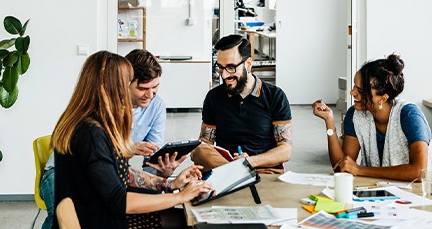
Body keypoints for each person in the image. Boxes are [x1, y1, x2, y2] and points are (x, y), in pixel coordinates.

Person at [50, 50, 211, 228]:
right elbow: (119, 201)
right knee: (186, 220)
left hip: (100, 213)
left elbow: (121, 173)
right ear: (112, 87)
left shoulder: (97, 123)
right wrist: (179, 196)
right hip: (100, 220)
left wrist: (170, 183)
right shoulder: (91, 133)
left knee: (181, 217)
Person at [312, 54, 432, 181]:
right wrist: (329, 121)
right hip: (379, 193)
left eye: (360, 91)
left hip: (421, 193)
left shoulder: (409, 115)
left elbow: (419, 172)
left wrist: (360, 170)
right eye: (354, 86)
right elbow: (341, 168)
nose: (352, 93)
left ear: (382, 98)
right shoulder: (355, 115)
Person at [191, 34, 292, 174]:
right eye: (220, 68)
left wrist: (249, 162)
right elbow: (205, 143)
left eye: (231, 68)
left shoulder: (275, 96)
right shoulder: (213, 97)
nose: (224, 75)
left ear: (248, 64)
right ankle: (236, 173)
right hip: (224, 167)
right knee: (199, 149)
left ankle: (236, 173)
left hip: (263, 170)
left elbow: (285, 150)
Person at [126, 49, 183, 176]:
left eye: (155, 87)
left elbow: (151, 161)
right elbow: (98, 154)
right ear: (125, 84)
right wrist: (128, 148)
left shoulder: (157, 106)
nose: (150, 95)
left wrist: (163, 171)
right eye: (143, 88)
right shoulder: (107, 105)